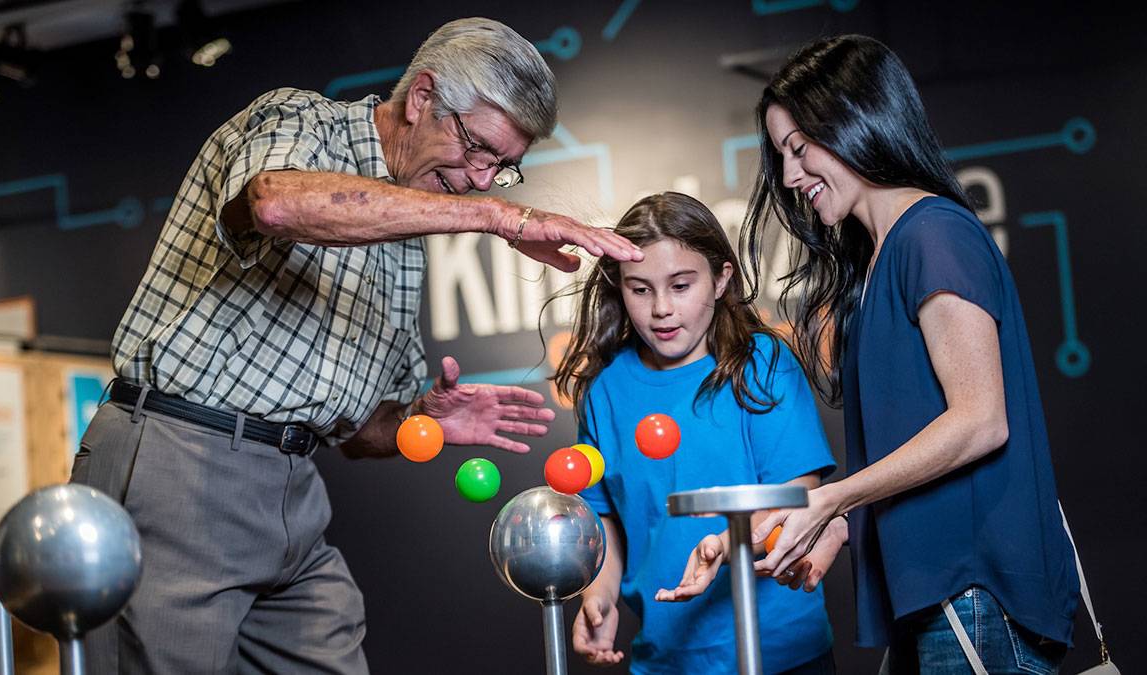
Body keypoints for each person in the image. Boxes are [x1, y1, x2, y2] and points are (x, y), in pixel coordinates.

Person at [69, 17, 642, 674]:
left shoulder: (408, 240)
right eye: (478, 149)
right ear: (422, 97)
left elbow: (359, 434)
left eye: (503, 168)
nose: (484, 180)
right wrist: (499, 218)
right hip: (180, 460)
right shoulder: (303, 120)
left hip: (294, 490)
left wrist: (423, 419)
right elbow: (274, 203)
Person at [741, 35, 1079, 673]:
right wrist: (837, 527)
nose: (789, 177)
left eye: (799, 148)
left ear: (855, 120)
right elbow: (915, 439)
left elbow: (980, 421)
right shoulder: (883, 256)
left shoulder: (933, 234)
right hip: (937, 598)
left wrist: (835, 499)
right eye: (782, 156)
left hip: (974, 595)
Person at [553, 192, 839, 674]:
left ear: (721, 279)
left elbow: (799, 497)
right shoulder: (605, 391)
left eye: (681, 285)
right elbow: (605, 518)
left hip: (781, 652)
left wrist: (726, 545)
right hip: (666, 658)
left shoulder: (761, 364)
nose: (661, 308)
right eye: (640, 289)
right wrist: (598, 596)